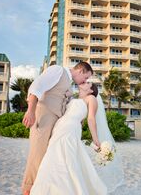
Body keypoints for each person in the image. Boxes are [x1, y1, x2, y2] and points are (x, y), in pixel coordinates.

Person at [21, 62, 93, 195]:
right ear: (81, 71)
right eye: (86, 77)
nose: (85, 81)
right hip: (43, 117)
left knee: (47, 158)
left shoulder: (69, 85)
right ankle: (27, 190)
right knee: (37, 155)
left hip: (56, 124)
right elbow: (37, 87)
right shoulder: (58, 70)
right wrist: (30, 111)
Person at [30, 82, 107, 195]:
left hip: (70, 129)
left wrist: (95, 139)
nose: (84, 82)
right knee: (53, 155)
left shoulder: (91, 98)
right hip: (59, 127)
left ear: (91, 90)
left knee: (67, 157)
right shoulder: (74, 99)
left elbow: (91, 119)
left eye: (88, 83)